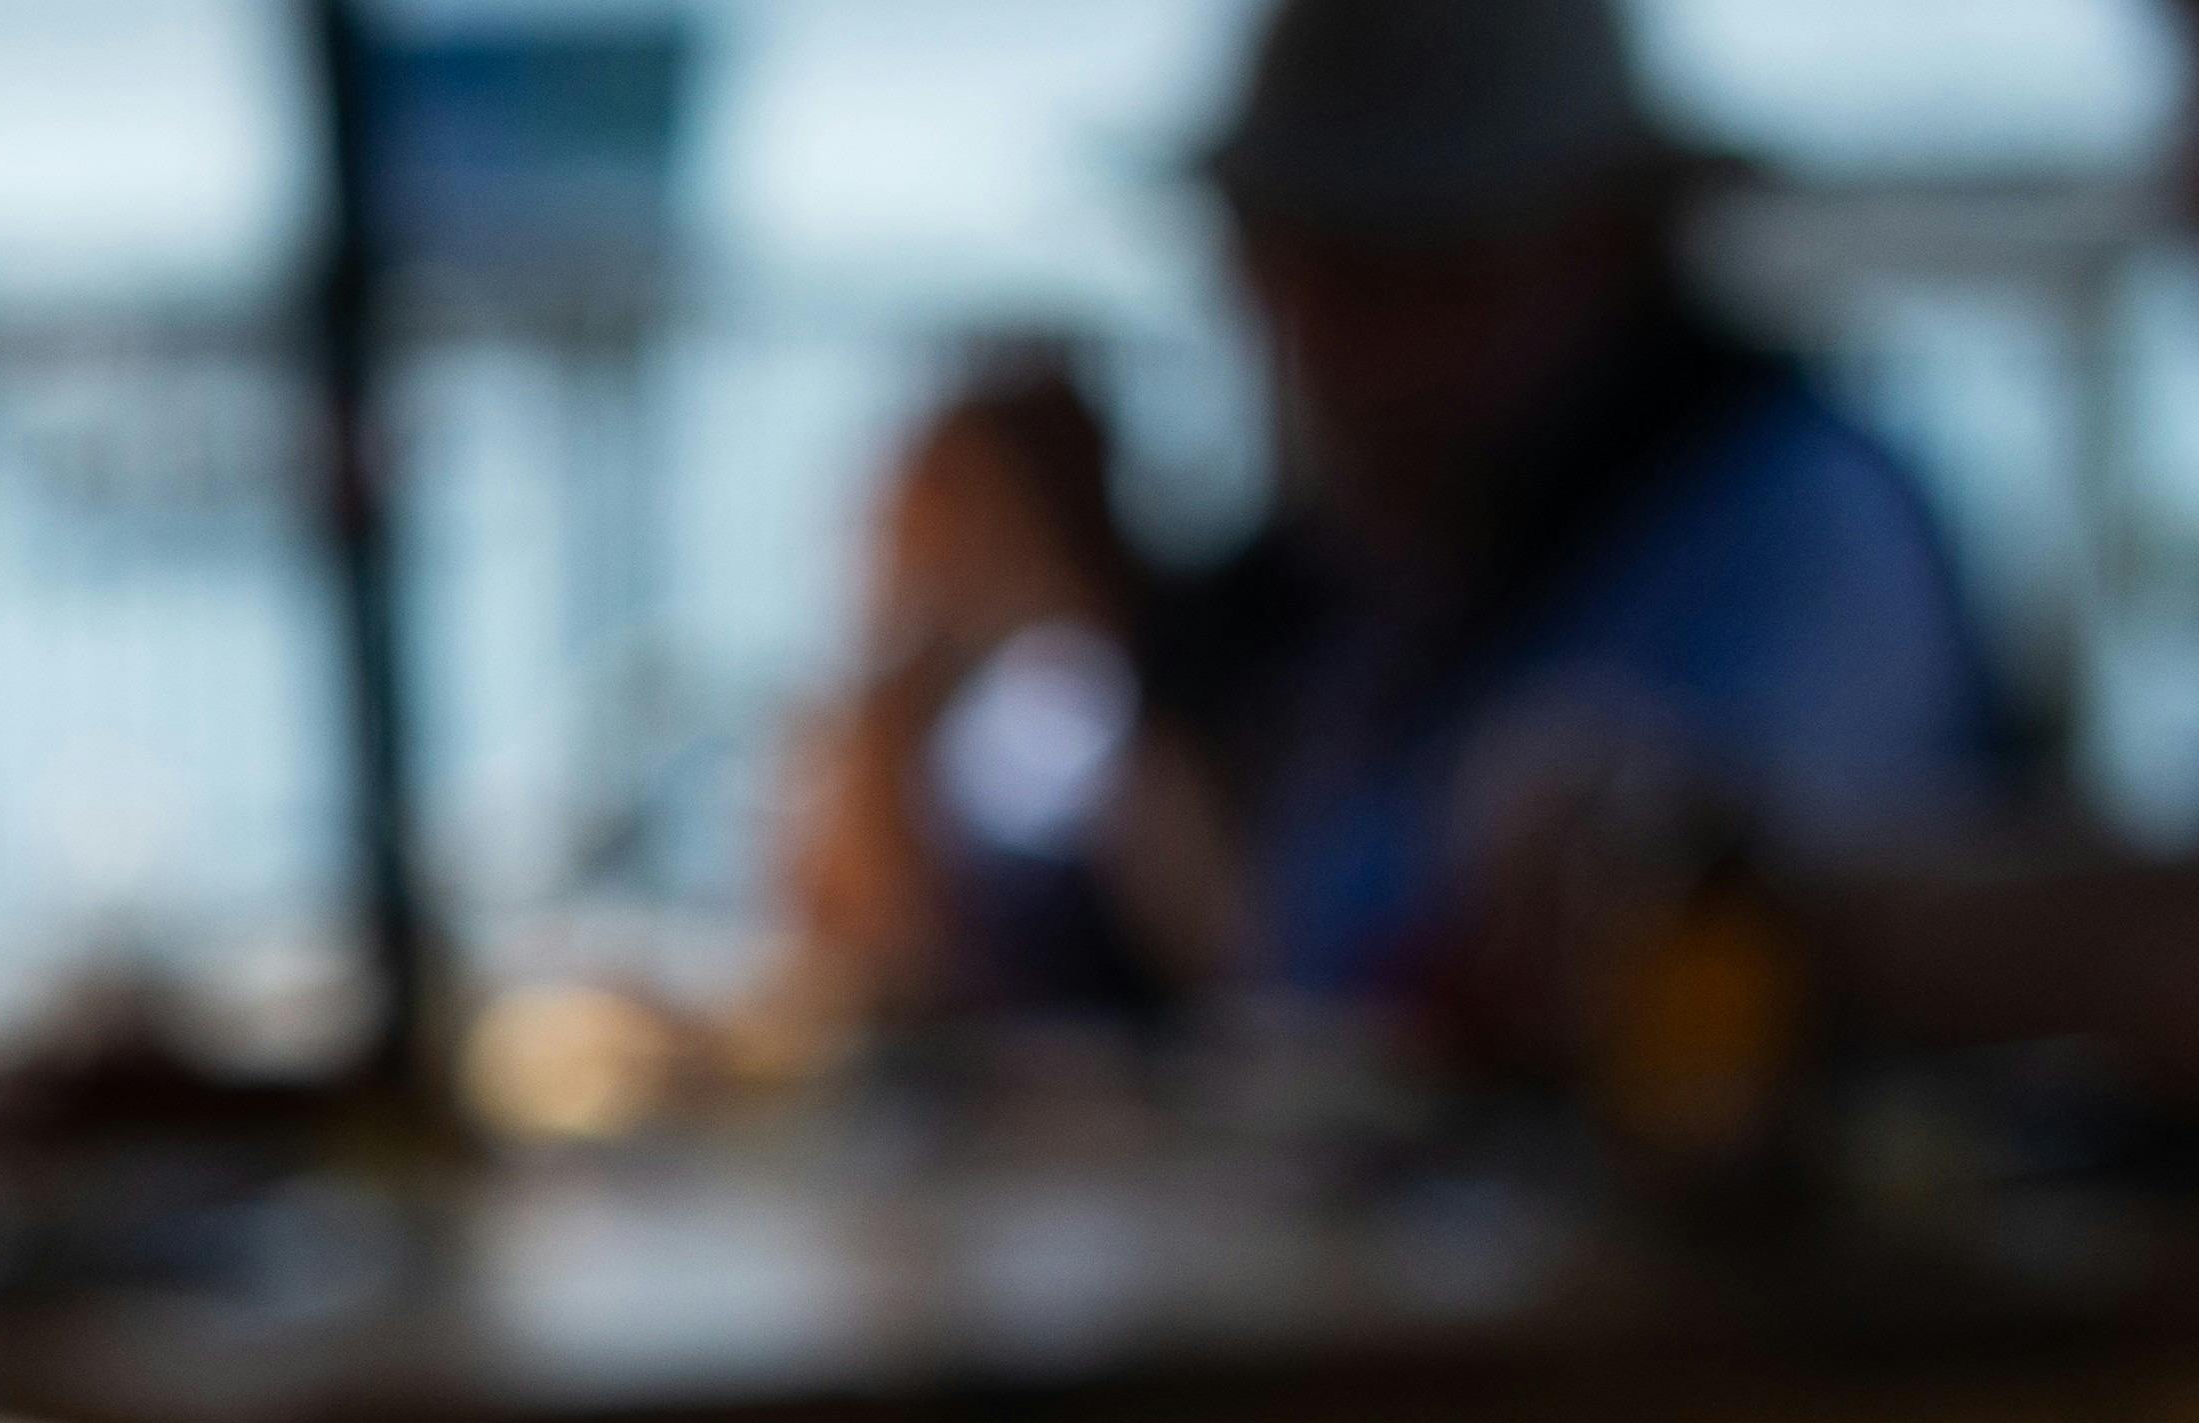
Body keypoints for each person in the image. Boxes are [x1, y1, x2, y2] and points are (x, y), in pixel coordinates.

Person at [798, 0, 2017, 1037]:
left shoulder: (1788, 526)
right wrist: (908, 657)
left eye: (1408, 274)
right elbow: (931, 938)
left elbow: (1370, 992)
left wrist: (1113, 614)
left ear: (1603, 251)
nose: (1330, 351)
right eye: (1285, 272)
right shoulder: (1362, 558)